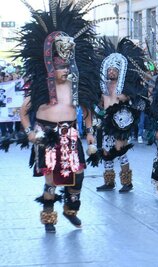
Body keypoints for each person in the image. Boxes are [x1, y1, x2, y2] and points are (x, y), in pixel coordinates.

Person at [17, 1, 100, 233]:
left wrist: (91, 135)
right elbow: (23, 111)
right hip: (47, 135)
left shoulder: (77, 87)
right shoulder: (42, 89)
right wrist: (29, 132)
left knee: (78, 175)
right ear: (52, 65)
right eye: (60, 65)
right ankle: (48, 217)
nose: (65, 70)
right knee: (51, 180)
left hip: (71, 134)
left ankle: (70, 210)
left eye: (67, 65)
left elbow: (88, 110)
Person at [95, 37, 146, 193]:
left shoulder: (125, 86)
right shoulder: (103, 86)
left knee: (120, 150)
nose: (111, 72)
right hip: (105, 121)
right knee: (106, 150)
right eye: (109, 69)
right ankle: (109, 182)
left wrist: (125, 98)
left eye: (114, 70)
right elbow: (100, 103)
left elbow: (135, 96)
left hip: (120, 122)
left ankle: (127, 182)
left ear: (119, 71)